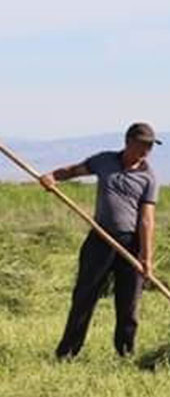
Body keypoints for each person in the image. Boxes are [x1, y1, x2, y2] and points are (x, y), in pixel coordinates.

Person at [40, 123, 161, 359]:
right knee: (85, 295)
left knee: (129, 303)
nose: (147, 150)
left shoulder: (149, 178)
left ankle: (125, 352)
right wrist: (52, 176)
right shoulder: (104, 161)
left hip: (130, 244)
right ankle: (67, 352)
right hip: (100, 239)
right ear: (128, 141)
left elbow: (147, 220)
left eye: (150, 146)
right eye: (143, 144)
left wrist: (146, 258)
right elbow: (74, 170)